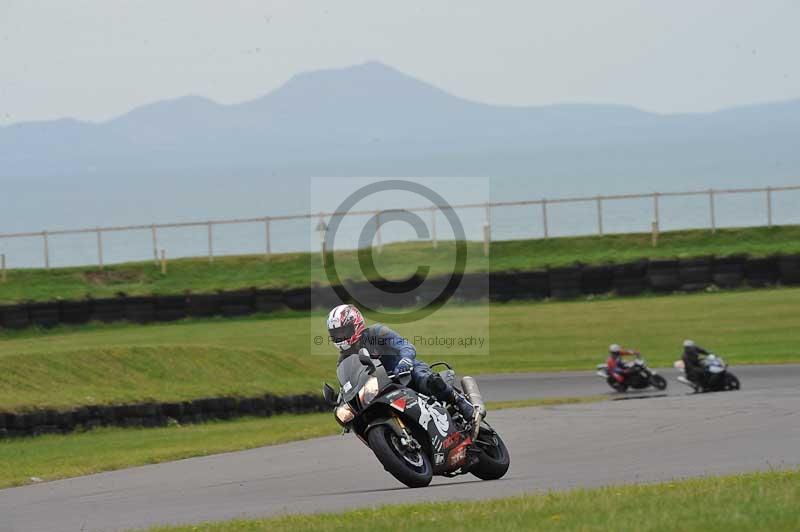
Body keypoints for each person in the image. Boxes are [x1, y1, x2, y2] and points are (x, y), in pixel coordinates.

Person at [326, 304, 479, 423]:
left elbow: (404, 346)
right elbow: (348, 384)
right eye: (336, 334)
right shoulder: (344, 360)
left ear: (356, 325)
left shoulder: (376, 333)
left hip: (405, 373)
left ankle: (458, 401)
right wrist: (340, 400)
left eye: (343, 331)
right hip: (381, 390)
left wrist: (405, 361)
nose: (340, 337)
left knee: (426, 379)